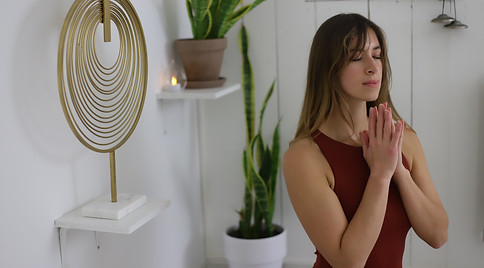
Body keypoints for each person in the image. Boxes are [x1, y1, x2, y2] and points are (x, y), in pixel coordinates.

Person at [283, 13, 448, 268]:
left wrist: (399, 171)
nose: (373, 66)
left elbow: (438, 235)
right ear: (328, 67)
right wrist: (380, 175)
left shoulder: (404, 140)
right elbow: (349, 263)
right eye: (357, 57)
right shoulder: (304, 156)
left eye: (377, 55)